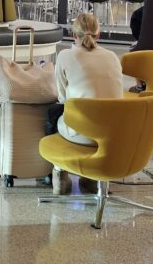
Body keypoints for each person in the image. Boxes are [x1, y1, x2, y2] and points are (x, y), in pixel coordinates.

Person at [44, 13, 122, 194]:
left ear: (73, 35)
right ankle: (92, 179)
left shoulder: (65, 55)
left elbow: (63, 99)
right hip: (113, 133)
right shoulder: (112, 57)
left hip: (82, 133)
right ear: (99, 35)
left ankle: (57, 174)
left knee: (53, 113)